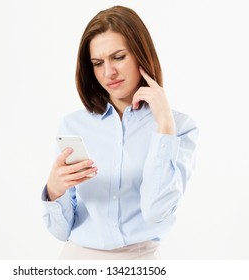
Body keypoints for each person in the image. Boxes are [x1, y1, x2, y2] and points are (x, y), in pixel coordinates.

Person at [41, 5, 199, 260]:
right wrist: (54, 191)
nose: (108, 73)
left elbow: (156, 211)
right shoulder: (73, 126)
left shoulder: (179, 127)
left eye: (118, 57)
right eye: (97, 63)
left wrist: (165, 129)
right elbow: (60, 231)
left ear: (140, 54)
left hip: (140, 261)